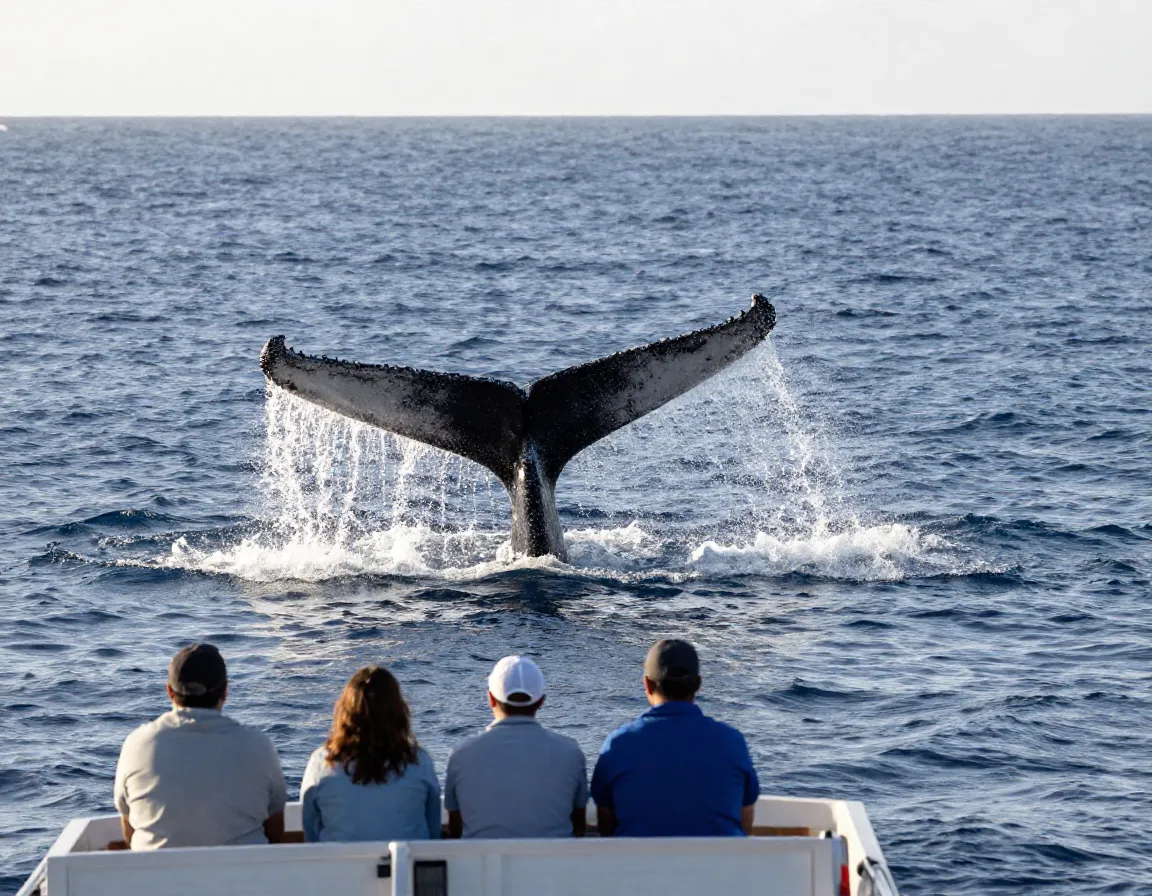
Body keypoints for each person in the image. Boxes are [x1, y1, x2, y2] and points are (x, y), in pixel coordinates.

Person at [113, 643, 288, 849]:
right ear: (225, 691)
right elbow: (275, 829)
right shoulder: (258, 745)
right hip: (242, 877)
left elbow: (128, 824)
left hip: (156, 878)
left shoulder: (137, 743)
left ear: (170, 691)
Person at [590, 639, 760, 837]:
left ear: (647, 684)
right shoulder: (733, 742)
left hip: (639, 866)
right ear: (698, 684)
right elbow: (744, 813)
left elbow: (606, 820)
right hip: (719, 866)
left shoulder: (618, 744)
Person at [444, 656, 588, 839]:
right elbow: (579, 826)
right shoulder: (571, 752)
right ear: (541, 701)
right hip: (553, 866)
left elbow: (456, 829)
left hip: (482, 867)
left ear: (490, 698)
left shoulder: (461, 755)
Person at [301, 666, 441, 842]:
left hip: (337, 868)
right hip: (404, 866)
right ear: (398, 711)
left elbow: (311, 834)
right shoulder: (420, 761)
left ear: (344, 711)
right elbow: (433, 832)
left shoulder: (321, 763)